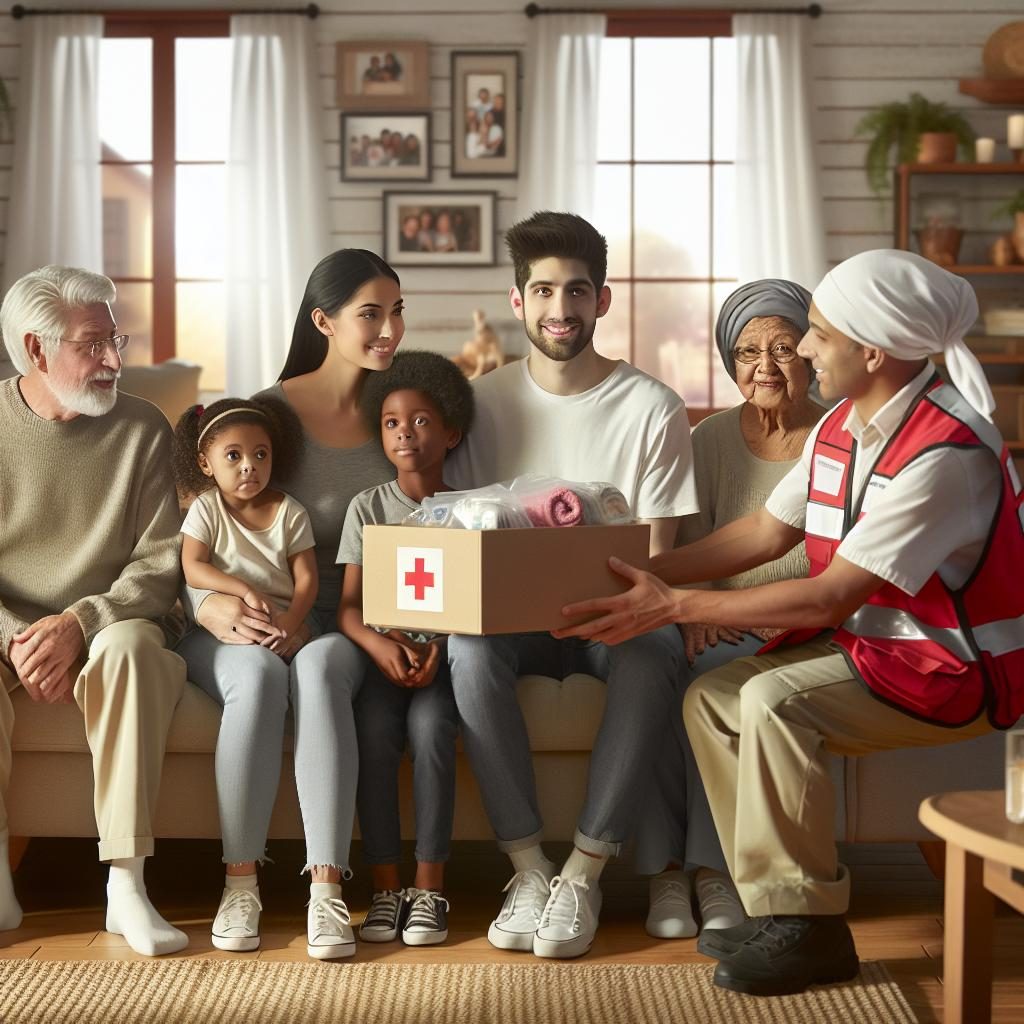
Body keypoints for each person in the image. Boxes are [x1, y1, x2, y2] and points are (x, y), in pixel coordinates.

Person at [554, 249, 1024, 994]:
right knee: (710, 699)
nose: (804, 349)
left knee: (770, 701)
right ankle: (774, 908)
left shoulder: (945, 457)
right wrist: (625, 572)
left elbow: (827, 597)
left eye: (817, 335)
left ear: (872, 350)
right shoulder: (844, 424)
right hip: (879, 652)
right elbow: (763, 535)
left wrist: (673, 606)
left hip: (956, 671)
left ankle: (813, 932)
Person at [444, 211, 696, 959]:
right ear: (517, 302)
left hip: (612, 617)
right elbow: (457, 530)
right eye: (544, 291)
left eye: (577, 292)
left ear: (603, 301)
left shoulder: (654, 407)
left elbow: (655, 550)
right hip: (509, 622)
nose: (561, 310)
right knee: (467, 647)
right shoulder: (480, 404)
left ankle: (583, 873)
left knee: (656, 650)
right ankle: (528, 870)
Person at [187, 249, 405, 961]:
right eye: (371, 313)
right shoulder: (266, 417)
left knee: (314, 674)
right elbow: (205, 533)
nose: (390, 328)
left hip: (351, 619)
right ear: (324, 321)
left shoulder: (401, 412)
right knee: (256, 677)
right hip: (257, 618)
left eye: (396, 310)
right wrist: (208, 607)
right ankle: (240, 883)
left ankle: (326, 890)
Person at [0, 265, 188, 956]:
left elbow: (159, 564)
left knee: (133, 649)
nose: (114, 360)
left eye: (118, 340)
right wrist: (19, 638)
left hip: (113, 623)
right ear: (36, 348)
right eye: (93, 343)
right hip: (9, 631)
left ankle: (126, 884)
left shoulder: (142, 429)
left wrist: (80, 624)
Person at [637, 279, 825, 942]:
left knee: (705, 688)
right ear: (728, 360)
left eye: (783, 348)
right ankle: (663, 871)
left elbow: (843, 571)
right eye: (747, 351)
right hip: (718, 619)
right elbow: (695, 551)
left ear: (812, 353)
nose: (765, 366)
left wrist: (763, 614)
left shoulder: (838, 439)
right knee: (659, 674)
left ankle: (712, 872)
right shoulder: (711, 438)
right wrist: (695, 611)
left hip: (802, 627)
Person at [338, 351, 474, 946]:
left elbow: (480, 603)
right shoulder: (367, 508)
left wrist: (440, 646)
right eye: (392, 422)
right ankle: (386, 888)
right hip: (381, 662)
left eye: (420, 421)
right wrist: (379, 644)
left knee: (431, 734)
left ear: (451, 432)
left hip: (442, 668)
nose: (405, 432)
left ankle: (429, 889)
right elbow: (347, 607)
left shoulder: (472, 511)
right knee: (372, 735)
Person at [172, 396, 317, 952]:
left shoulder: (291, 512)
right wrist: (246, 590)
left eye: (260, 455)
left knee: (281, 672)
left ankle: (315, 885)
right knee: (257, 676)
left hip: (284, 625)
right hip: (219, 632)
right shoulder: (207, 508)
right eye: (233, 456)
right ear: (207, 463)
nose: (248, 467)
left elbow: (305, 580)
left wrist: (292, 624)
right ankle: (239, 884)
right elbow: (194, 565)